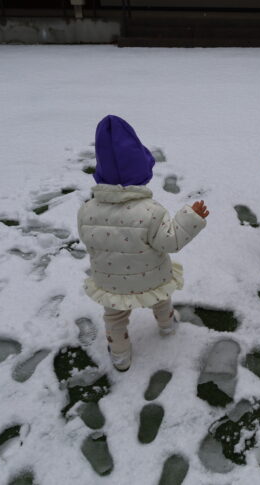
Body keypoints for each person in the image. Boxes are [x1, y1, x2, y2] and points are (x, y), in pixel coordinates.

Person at [77, 115, 209, 371]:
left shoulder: (86, 210)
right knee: (160, 298)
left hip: (110, 282)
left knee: (114, 318)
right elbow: (170, 242)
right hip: (152, 278)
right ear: (141, 171)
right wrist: (190, 218)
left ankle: (120, 355)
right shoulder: (151, 211)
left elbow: (88, 240)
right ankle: (167, 325)